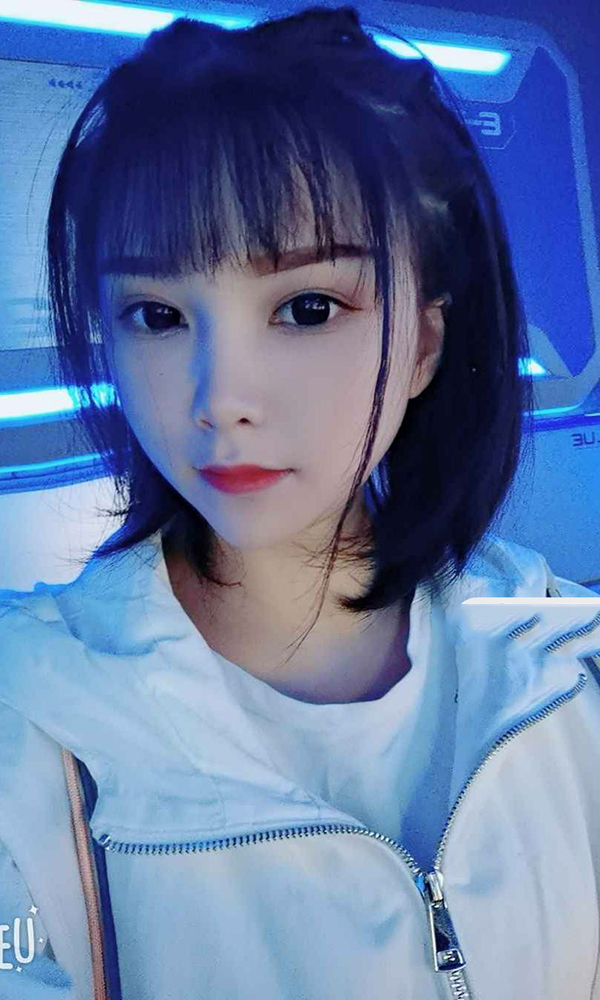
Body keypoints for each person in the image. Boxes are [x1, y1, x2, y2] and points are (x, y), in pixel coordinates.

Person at [0, 5, 599, 998]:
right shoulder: (28, 721)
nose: (220, 397)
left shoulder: (566, 664)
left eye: (306, 308)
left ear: (424, 344)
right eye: (157, 314)